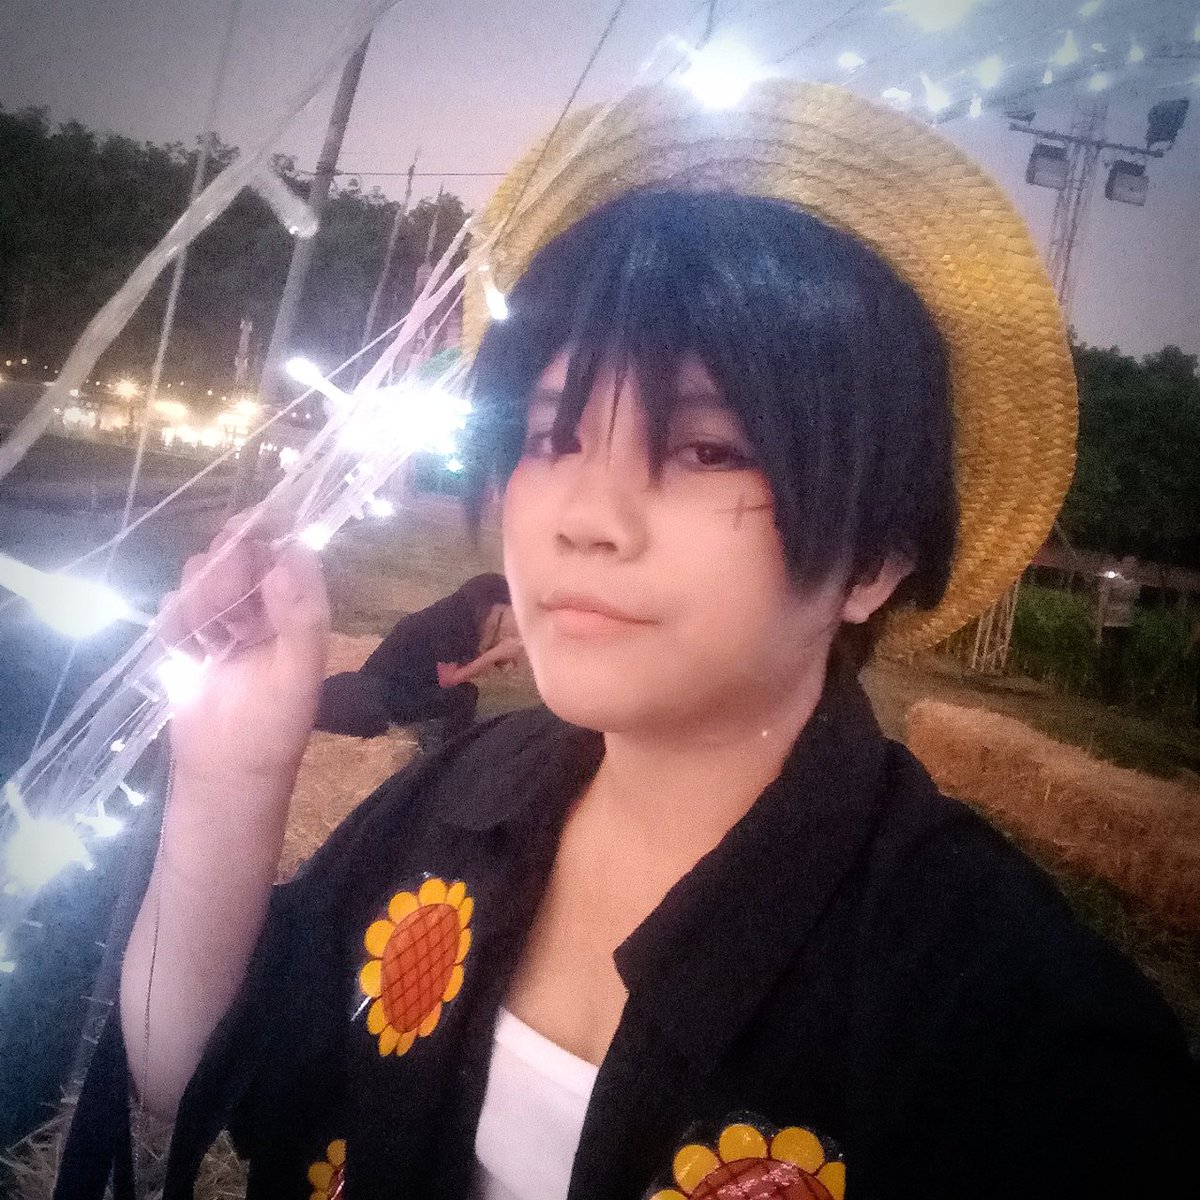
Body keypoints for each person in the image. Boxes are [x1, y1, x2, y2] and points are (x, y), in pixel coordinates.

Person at [56, 82, 1200, 1200]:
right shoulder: (451, 802)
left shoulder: (1019, 1029)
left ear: (874, 560)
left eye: (705, 450)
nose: (584, 517)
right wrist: (232, 772)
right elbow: (188, 1071)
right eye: (553, 435)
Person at [313, 573, 521, 747]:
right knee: (465, 695)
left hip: (396, 681)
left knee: (464, 693)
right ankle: (452, 749)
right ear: (486, 606)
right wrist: (495, 654)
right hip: (389, 691)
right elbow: (449, 680)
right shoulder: (451, 623)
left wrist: (497, 655)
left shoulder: (458, 614)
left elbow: (461, 664)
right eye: (501, 615)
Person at [1095, 555, 1141, 705]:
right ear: (1122, 565)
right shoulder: (1111, 581)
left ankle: (1115, 696)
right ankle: (1105, 695)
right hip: (1110, 625)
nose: (1131, 567)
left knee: (1119, 663)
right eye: (1128, 563)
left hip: (1125, 626)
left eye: (1134, 565)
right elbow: (1102, 604)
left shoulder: (1135, 585)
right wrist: (1099, 630)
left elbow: (1133, 605)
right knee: (1109, 661)